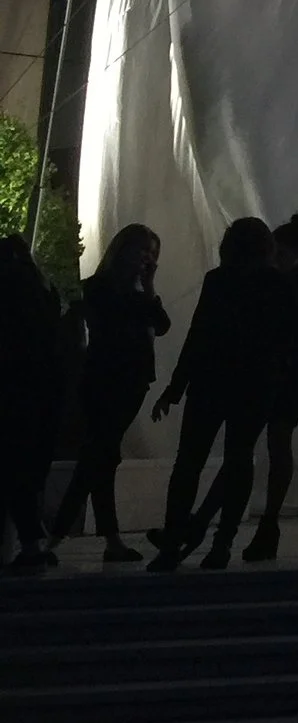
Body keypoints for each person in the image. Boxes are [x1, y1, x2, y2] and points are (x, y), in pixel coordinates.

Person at [148, 216, 287, 572]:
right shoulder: (277, 284)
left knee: (189, 462)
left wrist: (175, 387)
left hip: (210, 381)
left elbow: (199, 335)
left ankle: (174, 537)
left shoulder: (218, 281)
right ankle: (221, 543)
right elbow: (281, 342)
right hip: (255, 386)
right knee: (239, 462)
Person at [50, 224, 170, 562]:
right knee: (99, 455)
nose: (147, 257)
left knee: (101, 456)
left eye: (152, 252)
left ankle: (90, 538)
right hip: (105, 380)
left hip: (130, 382)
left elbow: (161, 325)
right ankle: (62, 534)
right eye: (143, 250)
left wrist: (148, 287)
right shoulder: (102, 289)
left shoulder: (134, 292)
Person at [246, 213, 298, 562]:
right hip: (283, 363)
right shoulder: (285, 279)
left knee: (275, 439)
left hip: (292, 365)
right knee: (266, 440)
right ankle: (266, 521)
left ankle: (268, 520)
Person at [0, 235, 65, 569]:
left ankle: (30, 545)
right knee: (25, 471)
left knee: (14, 470)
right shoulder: (42, 293)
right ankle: (32, 543)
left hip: (16, 391)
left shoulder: (13, 291)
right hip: (41, 391)